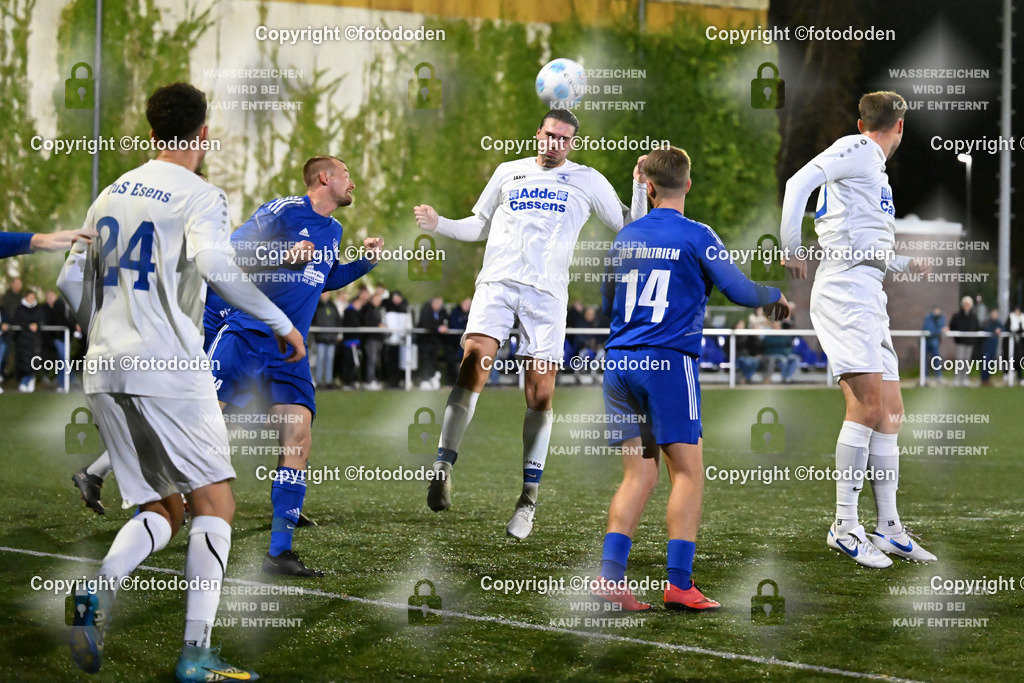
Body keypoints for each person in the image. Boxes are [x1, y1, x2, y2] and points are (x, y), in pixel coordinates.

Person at [57, 81, 305, 682]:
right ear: (201, 135)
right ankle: (196, 654)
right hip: (169, 365)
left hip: (106, 367)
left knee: (161, 508)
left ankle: (90, 601)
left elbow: (69, 284)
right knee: (214, 501)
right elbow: (218, 266)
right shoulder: (201, 194)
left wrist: (109, 329)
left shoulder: (109, 193)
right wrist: (278, 321)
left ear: (150, 133)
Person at [413, 108, 647, 538]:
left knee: (540, 392)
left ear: (572, 143)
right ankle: (443, 466)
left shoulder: (588, 179)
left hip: (547, 294)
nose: (554, 143)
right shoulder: (508, 171)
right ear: (537, 134)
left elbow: (630, 226)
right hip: (498, 284)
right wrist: (439, 223)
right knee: (474, 362)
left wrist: (636, 183)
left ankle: (527, 499)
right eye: (549, 135)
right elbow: (478, 226)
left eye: (564, 139)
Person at [591, 146, 790, 612]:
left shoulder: (625, 237)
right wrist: (775, 293)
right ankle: (679, 584)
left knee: (638, 474)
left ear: (649, 187)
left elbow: (607, 303)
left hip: (620, 363)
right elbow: (740, 290)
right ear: (689, 184)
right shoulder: (697, 234)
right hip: (667, 363)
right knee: (688, 473)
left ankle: (609, 578)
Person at [780, 90, 936, 568]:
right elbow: (796, 183)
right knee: (867, 406)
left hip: (870, 292)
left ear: (863, 118)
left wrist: (907, 261)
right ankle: (844, 526)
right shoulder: (858, 148)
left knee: (891, 411)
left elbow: (868, 238)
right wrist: (790, 246)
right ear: (900, 126)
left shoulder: (873, 170)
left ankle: (888, 527)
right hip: (846, 291)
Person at [206, 156, 381, 577]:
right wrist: (283, 253)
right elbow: (235, 249)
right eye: (347, 176)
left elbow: (325, 277)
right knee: (201, 430)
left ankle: (278, 553)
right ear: (325, 178)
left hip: (290, 351)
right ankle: (150, 507)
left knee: (297, 441)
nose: (352, 183)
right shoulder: (283, 210)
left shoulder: (335, 230)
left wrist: (363, 265)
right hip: (246, 335)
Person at [13, 290, 43, 392]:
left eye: (33, 297)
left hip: (35, 341)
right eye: (30, 297)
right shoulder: (20, 309)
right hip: (23, 340)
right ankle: (25, 381)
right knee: (24, 362)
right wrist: (28, 325)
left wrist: (37, 325)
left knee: (34, 361)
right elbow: (18, 321)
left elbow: (41, 320)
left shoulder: (38, 309)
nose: (31, 299)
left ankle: (28, 380)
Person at [947, 296, 979, 387]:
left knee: (966, 360)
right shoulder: (957, 315)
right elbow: (952, 326)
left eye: (968, 304)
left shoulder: (973, 316)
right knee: (959, 360)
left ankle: (965, 378)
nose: (967, 306)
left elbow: (977, 327)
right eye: (965, 304)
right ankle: (957, 378)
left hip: (969, 342)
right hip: (960, 342)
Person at [312, 291, 342, 388]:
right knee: (320, 359)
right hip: (320, 338)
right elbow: (313, 320)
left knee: (330, 360)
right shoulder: (316, 305)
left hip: (331, 339)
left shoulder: (333, 306)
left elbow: (338, 321)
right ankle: (319, 381)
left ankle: (329, 381)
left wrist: (336, 334)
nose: (325, 295)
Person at [417, 296, 448, 389]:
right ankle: (424, 380)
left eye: (440, 303)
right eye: (437, 303)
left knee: (433, 360)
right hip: (425, 341)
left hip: (435, 341)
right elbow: (425, 323)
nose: (439, 305)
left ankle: (431, 379)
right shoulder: (426, 310)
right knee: (425, 360)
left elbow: (445, 320)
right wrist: (438, 328)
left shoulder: (442, 311)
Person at [361, 288, 385, 390]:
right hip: (371, 338)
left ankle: (373, 379)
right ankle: (369, 381)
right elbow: (367, 322)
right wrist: (378, 325)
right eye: (377, 299)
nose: (379, 301)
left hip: (377, 338)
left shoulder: (377, 310)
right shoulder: (368, 309)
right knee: (371, 360)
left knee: (375, 360)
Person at [922, 305, 946, 384]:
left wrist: (940, 330)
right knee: (924, 360)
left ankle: (939, 377)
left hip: (935, 343)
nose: (936, 312)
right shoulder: (928, 317)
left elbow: (943, 328)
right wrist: (939, 330)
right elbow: (929, 329)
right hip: (926, 342)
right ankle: (925, 378)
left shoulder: (941, 318)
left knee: (936, 360)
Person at [980, 310, 1003, 386]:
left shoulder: (998, 322)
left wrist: (1000, 330)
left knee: (990, 363)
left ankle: (988, 379)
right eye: (993, 313)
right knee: (985, 362)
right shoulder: (988, 322)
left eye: (996, 314)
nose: (995, 315)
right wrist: (994, 330)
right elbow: (985, 329)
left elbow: (1003, 328)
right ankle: (983, 379)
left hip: (994, 346)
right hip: (986, 346)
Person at [1006, 306, 1024, 383]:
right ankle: (1014, 376)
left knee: (1021, 359)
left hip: (1021, 343)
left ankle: (1020, 377)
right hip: (1013, 343)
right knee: (1014, 360)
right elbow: (1007, 328)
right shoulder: (1011, 318)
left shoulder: (1022, 318)